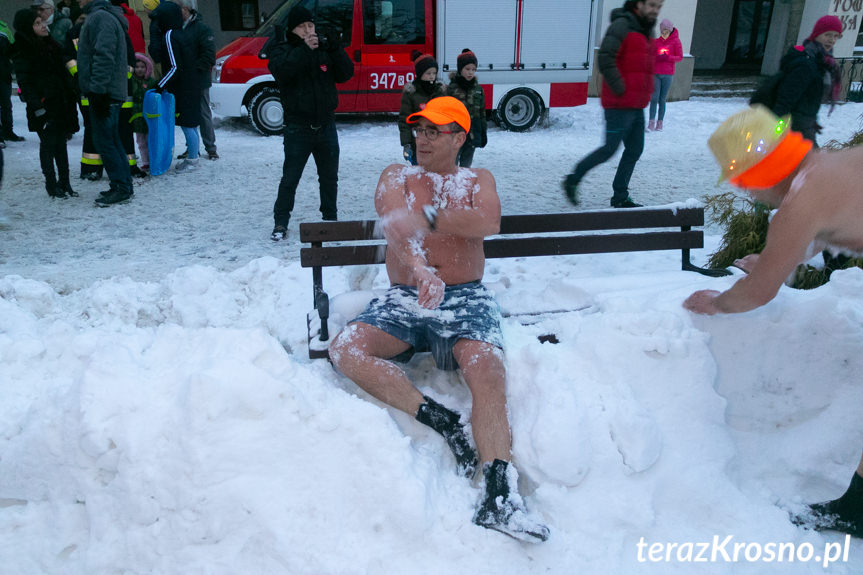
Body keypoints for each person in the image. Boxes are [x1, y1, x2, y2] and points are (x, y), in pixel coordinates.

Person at [328, 96, 550, 543]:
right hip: (407, 294)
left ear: (460, 137)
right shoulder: (397, 174)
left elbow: (488, 221)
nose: (421, 138)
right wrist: (419, 268)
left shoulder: (477, 178)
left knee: (487, 368)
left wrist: (429, 216)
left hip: (466, 297)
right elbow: (393, 224)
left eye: (434, 130)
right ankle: (442, 420)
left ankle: (499, 496)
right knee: (346, 350)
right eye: (419, 129)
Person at [684, 105, 863, 538]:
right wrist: (771, 259)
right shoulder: (835, 165)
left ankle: (858, 509)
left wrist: (718, 302)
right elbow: (824, 227)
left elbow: (758, 293)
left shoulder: (798, 206)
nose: (746, 192)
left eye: (743, 182)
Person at [562, 0, 662, 208]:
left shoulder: (647, 30)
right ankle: (572, 180)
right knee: (609, 149)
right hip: (619, 103)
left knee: (635, 149)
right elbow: (606, 58)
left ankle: (620, 196)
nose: (655, 10)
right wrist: (620, 87)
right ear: (639, 4)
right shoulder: (622, 25)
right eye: (651, 5)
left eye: (658, 6)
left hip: (636, 104)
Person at [266, 5, 354, 241]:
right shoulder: (282, 50)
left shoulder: (323, 49)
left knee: (329, 177)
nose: (308, 30)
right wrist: (304, 49)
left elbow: (346, 74)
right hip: (298, 127)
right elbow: (283, 72)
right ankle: (280, 223)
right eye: (302, 26)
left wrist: (336, 49)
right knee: (290, 177)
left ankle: (330, 220)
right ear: (293, 29)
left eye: (311, 25)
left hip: (326, 124)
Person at [12, 9, 79, 198]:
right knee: (49, 145)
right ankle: (51, 184)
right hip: (43, 106)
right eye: (37, 23)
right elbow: (26, 84)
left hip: (60, 103)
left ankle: (64, 182)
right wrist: (39, 108)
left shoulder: (52, 46)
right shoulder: (23, 50)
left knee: (61, 145)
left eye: (42, 22)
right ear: (28, 27)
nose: (44, 26)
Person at [77, 0, 134, 205]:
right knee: (112, 139)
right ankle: (123, 184)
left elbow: (104, 56)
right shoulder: (101, 16)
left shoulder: (101, 18)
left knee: (106, 141)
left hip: (105, 93)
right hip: (107, 91)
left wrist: (98, 91)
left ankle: (121, 187)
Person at [771, 15, 843, 147]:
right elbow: (787, 95)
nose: (832, 40)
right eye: (827, 35)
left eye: (835, 36)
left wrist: (812, 119)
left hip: (805, 122)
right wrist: (777, 126)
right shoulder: (807, 62)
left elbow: (809, 95)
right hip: (795, 124)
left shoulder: (821, 61)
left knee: (805, 164)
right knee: (812, 164)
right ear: (816, 34)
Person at [152, 0, 201, 171]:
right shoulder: (183, 33)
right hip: (193, 83)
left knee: (187, 124)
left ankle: (193, 160)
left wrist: (159, 85)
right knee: (193, 124)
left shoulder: (170, 35)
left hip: (182, 87)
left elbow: (174, 66)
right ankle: (194, 157)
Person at [177, 0, 218, 161]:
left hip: (198, 78)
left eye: (178, 8)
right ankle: (192, 147)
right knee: (189, 114)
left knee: (202, 113)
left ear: (185, 9)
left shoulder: (201, 29)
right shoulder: (180, 28)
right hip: (186, 79)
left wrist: (192, 71)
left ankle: (211, 148)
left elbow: (209, 56)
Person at [398, 50, 443, 165]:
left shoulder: (440, 92)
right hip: (418, 143)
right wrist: (407, 143)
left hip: (437, 143)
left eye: (434, 73)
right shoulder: (411, 93)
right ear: (419, 73)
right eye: (428, 73)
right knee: (419, 173)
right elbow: (404, 120)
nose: (432, 77)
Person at [446, 48, 487, 167]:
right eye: (467, 69)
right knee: (452, 164)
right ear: (460, 69)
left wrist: (483, 132)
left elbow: (482, 112)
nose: (470, 72)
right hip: (455, 133)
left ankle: (464, 183)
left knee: (466, 166)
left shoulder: (478, 89)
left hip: (472, 134)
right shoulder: (452, 88)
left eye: (473, 69)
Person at [648, 18, 682, 132]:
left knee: (662, 99)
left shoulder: (676, 42)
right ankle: (651, 121)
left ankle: (660, 123)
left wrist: (668, 57)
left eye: (666, 31)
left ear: (671, 30)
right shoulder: (657, 42)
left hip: (667, 74)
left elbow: (680, 57)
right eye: (662, 31)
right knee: (654, 98)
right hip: (656, 73)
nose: (664, 33)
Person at [130, 52, 156, 174]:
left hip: (150, 117)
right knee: (141, 141)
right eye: (137, 66)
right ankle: (146, 162)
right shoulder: (131, 81)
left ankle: (153, 160)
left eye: (142, 67)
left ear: (147, 68)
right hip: (137, 117)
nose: (139, 69)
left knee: (151, 140)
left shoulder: (151, 82)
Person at [0, 17, 25, 143]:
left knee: (6, 104)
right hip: (4, 71)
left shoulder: (4, 27)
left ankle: (8, 132)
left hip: (3, 73)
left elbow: (12, 49)